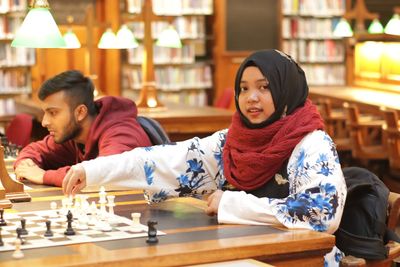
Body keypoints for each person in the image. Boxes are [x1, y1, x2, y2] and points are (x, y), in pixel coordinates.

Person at [63, 50, 347, 266]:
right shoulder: (231, 141)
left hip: (301, 259)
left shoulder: (312, 142)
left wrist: (233, 202)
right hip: (243, 253)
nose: (251, 98)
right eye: (244, 88)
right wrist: (92, 170)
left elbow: (322, 212)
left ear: (287, 90)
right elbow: (163, 161)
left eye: (264, 87)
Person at [14, 70, 152, 186]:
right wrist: (26, 164)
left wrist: (44, 176)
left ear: (80, 112)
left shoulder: (120, 133)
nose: (44, 122)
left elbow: (103, 173)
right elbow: (36, 149)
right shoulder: (75, 133)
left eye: (53, 113)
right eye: (45, 112)